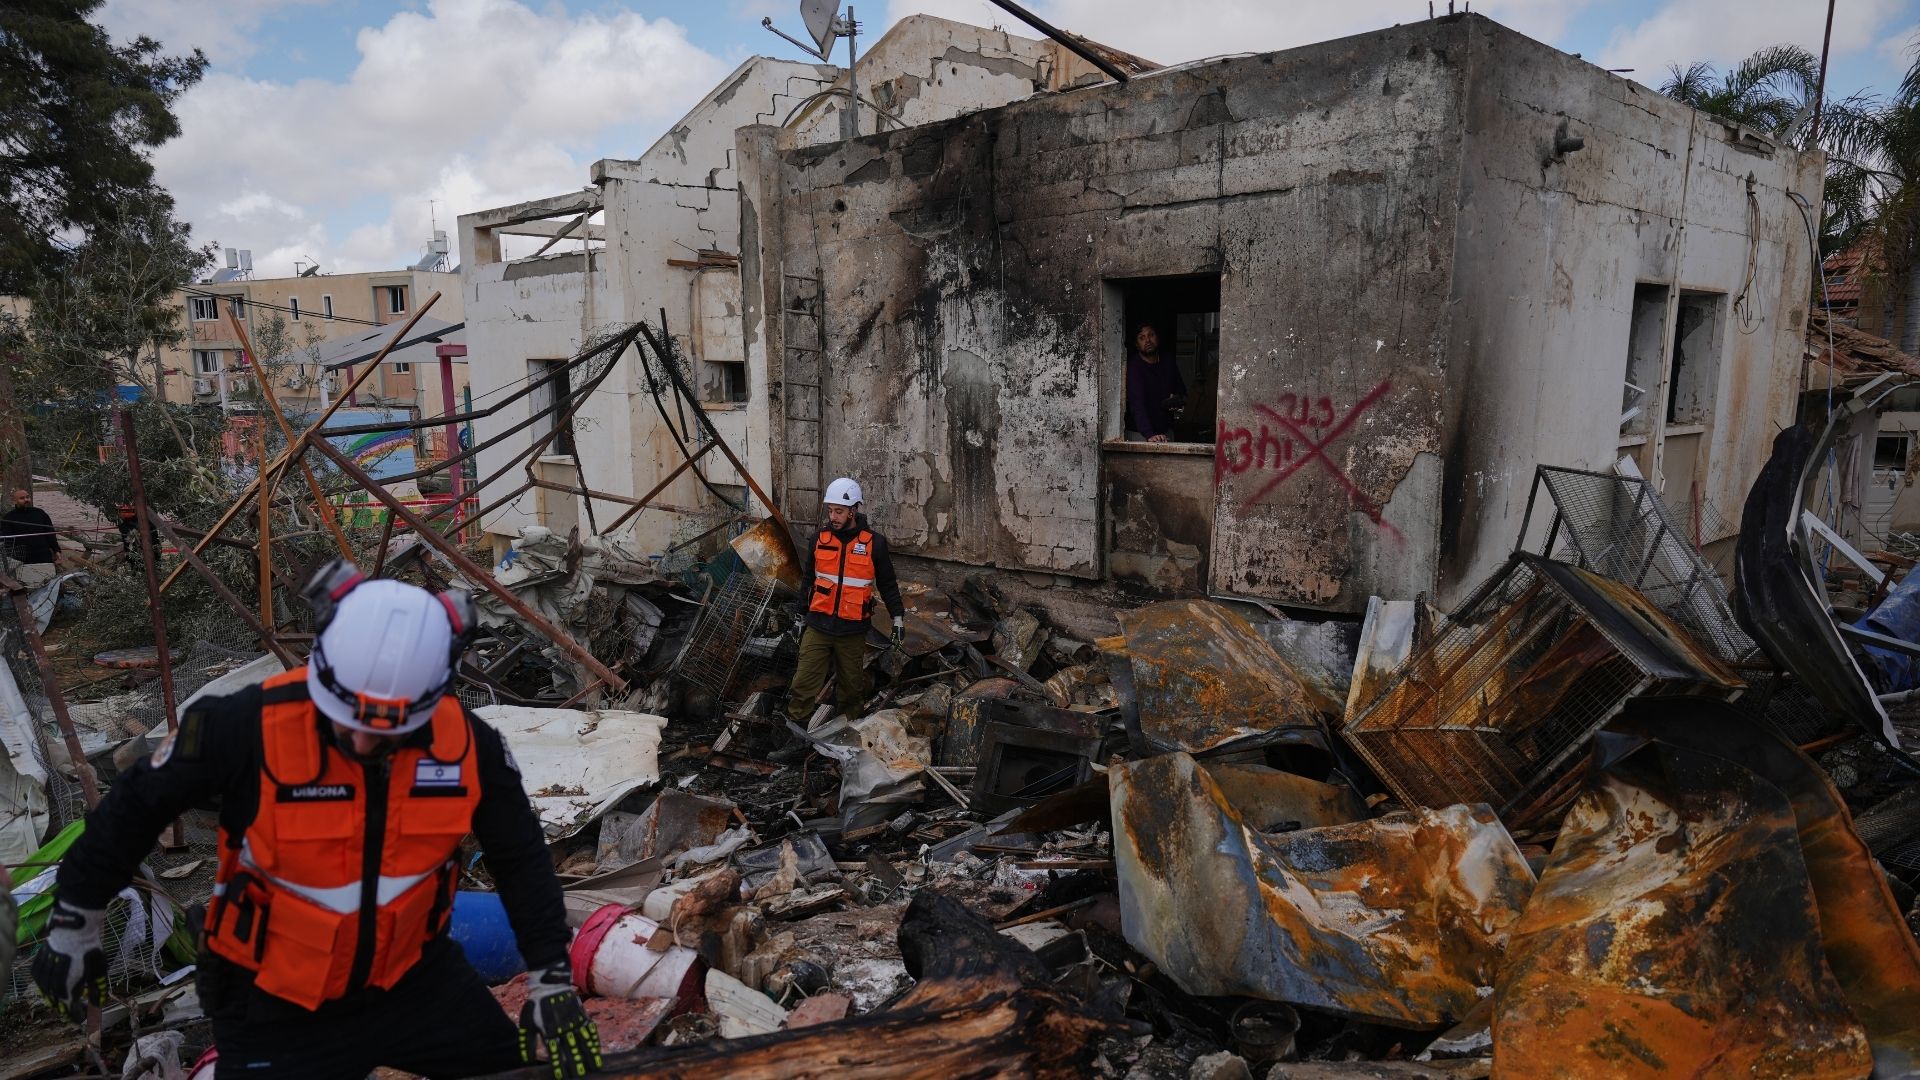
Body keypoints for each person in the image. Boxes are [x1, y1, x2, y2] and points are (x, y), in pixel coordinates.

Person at [33, 560, 601, 1080]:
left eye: (389, 731)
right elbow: (129, 813)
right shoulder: (242, 728)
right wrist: (74, 922)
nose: (362, 740)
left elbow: (521, 857)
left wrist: (551, 976)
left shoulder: (468, 746)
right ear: (323, 673)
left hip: (417, 982)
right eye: (347, 719)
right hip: (272, 999)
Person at [786, 477, 905, 724]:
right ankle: (796, 737)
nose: (833, 516)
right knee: (802, 682)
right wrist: (799, 616)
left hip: (852, 630)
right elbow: (808, 579)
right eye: (831, 511)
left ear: (853, 510)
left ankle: (844, 735)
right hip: (818, 625)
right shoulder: (819, 539)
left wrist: (898, 618)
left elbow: (888, 584)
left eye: (839, 511)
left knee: (851, 689)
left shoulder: (875, 544)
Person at [1125, 323, 1186, 443]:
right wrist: (1149, 434)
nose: (1147, 340)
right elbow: (1137, 404)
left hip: (1165, 431)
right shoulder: (1135, 367)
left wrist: (1177, 400)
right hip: (1140, 433)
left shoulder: (1168, 361)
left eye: (1151, 335)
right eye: (1142, 338)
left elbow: (1181, 391)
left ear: (1157, 337)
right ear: (1137, 345)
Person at [0, 489, 59, 587]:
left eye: (27, 497)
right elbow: (7, 541)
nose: (26, 500)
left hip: (43, 556)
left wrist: (57, 550)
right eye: (22, 498)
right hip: (22, 559)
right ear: (14, 501)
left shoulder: (40, 513)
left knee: (48, 585)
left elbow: (50, 533)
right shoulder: (8, 518)